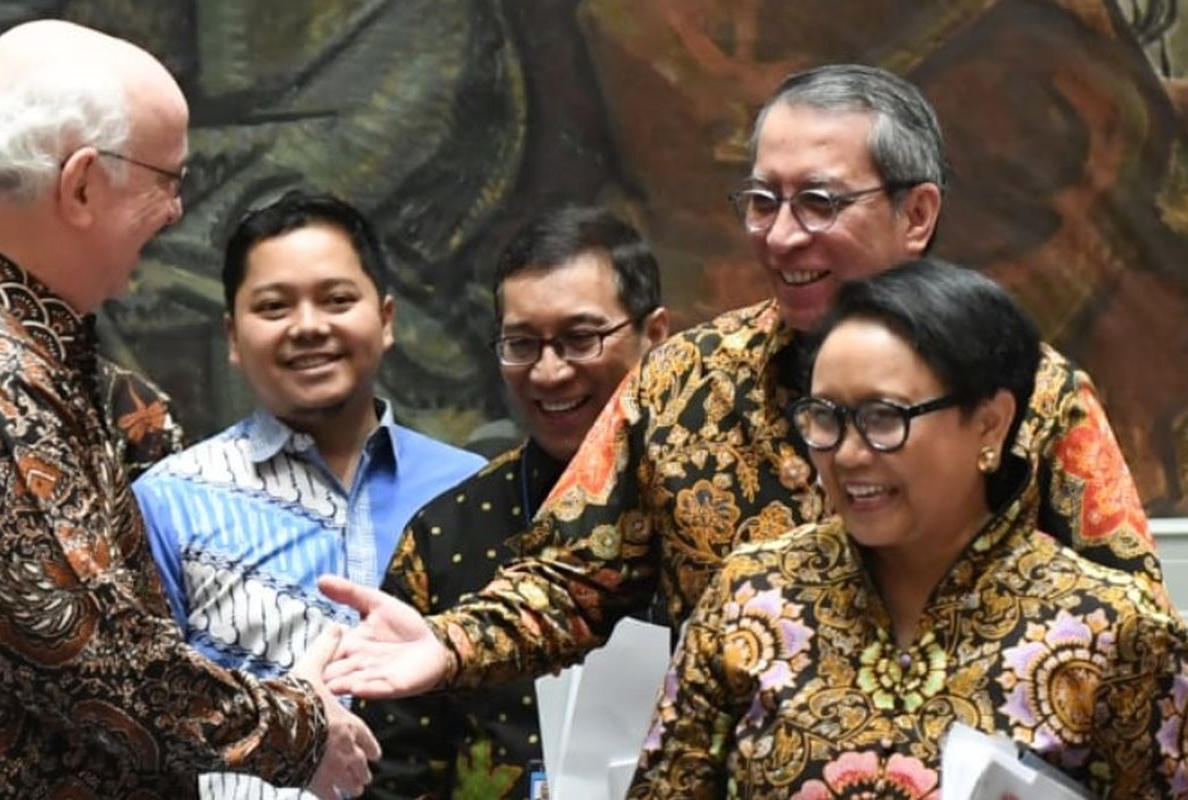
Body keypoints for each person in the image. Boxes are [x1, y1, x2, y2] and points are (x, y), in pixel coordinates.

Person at [318, 64, 1160, 707]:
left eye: (819, 203)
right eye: (762, 200)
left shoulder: (1031, 393)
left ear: (916, 215)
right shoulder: (684, 382)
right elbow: (568, 577)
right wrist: (449, 642)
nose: (782, 236)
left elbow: (1136, 633)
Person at [0, 19, 378, 799]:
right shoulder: (3, 382)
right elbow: (93, 659)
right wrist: (299, 727)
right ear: (83, 184)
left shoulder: (55, 360)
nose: (176, 212)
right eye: (166, 179)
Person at [628, 258, 1188, 797]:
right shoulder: (751, 597)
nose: (846, 455)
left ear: (990, 424)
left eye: (882, 418)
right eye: (825, 418)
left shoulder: (1112, 629)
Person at [133, 190, 486, 798]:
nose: (308, 326)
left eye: (337, 299)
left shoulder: (472, 489)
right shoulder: (168, 502)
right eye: (273, 306)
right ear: (233, 338)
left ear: (388, 318)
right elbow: (139, 719)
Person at [361, 205, 668, 798]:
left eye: (580, 339)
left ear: (655, 335)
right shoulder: (445, 536)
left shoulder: (720, 512)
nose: (549, 372)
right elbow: (394, 772)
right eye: (522, 344)